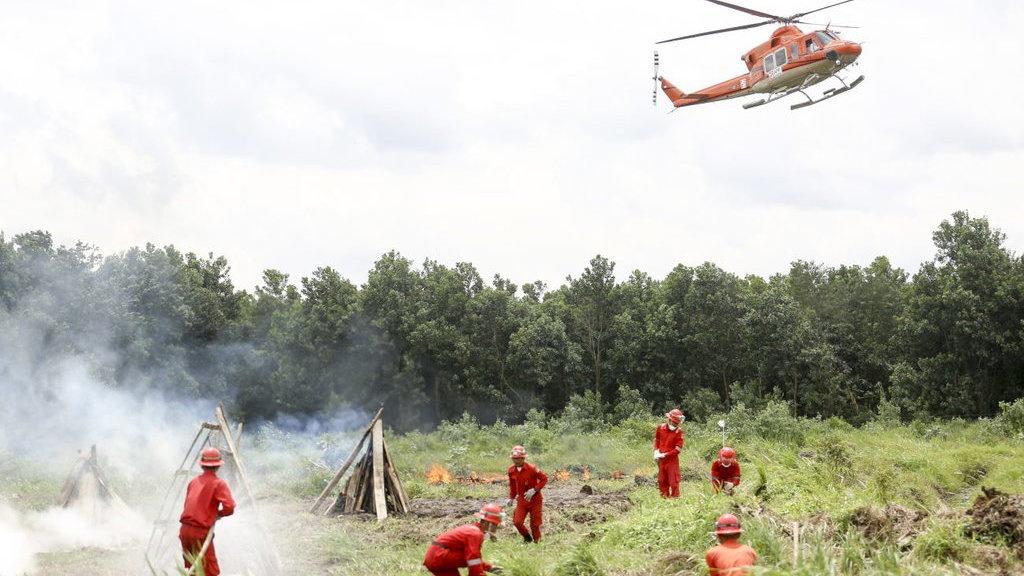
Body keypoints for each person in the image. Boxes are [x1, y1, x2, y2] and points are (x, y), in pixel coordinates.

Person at [179, 446, 236, 576]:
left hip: (185, 531)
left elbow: (189, 505)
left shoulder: (193, 482)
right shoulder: (218, 484)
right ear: (218, 466)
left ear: (202, 465)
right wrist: (218, 514)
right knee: (209, 572)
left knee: (194, 569)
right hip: (200, 532)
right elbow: (230, 507)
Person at [423, 503, 504, 576]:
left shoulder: (472, 530)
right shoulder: (475, 534)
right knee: (471, 559)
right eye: (496, 525)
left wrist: (488, 567)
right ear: (489, 524)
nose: (496, 528)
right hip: (439, 557)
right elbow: (473, 559)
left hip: (435, 557)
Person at [506, 445, 548, 543]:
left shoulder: (533, 468)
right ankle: (527, 538)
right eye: (514, 459)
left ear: (523, 458)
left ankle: (537, 542)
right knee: (517, 522)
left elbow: (544, 479)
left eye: (518, 459)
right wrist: (511, 497)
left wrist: (535, 489)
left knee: (535, 524)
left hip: (535, 500)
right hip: (522, 500)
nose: (516, 461)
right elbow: (512, 485)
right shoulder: (511, 470)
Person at [653, 409, 685, 498]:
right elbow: (657, 440)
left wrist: (665, 454)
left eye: (677, 423)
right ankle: (664, 498)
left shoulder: (679, 432)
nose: (675, 425)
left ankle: (675, 499)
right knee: (662, 480)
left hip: (672, 460)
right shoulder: (661, 428)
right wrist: (656, 451)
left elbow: (678, 449)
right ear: (669, 420)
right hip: (661, 460)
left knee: (674, 482)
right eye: (674, 422)